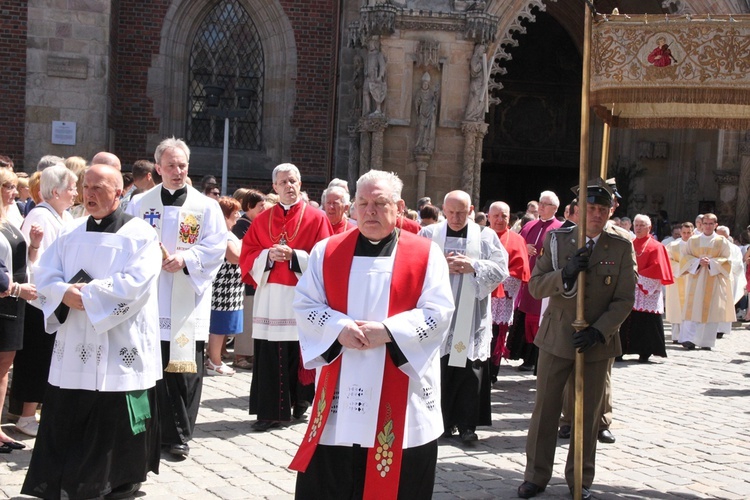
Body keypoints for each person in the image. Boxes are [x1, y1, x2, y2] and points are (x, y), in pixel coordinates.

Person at [290, 170, 455, 499]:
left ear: (399, 207)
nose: (370, 211)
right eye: (363, 203)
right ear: (353, 208)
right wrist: (339, 328)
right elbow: (305, 304)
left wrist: (389, 331)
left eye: (380, 203)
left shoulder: (426, 254)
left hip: (402, 391)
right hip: (341, 386)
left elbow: (438, 312)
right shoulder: (327, 251)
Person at [22, 164, 161, 499]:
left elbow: (137, 282)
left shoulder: (140, 234)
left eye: (99, 188)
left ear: (119, 192)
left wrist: (88, 296)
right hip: (76, 338)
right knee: (71, 404)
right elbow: (44, 273)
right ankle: (62, 478)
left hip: (118, 338)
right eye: (86, 187)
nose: (89, 194)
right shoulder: (71, 233)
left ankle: (117, 479)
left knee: (112, 412)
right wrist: (62, 293)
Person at [517, 181, 637, 500]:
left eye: (602, 209)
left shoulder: (622, 245)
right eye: (590, 208)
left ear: (611, 211)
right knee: (545, 409)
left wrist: (600, 330)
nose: (596, 215)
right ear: (579, 210)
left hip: (596, 342)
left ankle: (580, 478)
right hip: (557, 336)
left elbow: (625, 298)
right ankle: (536, 475)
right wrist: (566, 273)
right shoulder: (558, 241)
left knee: (587, 414)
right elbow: (536, 286)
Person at [126, 137, 226, 458]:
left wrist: (186, 260)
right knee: (154, 368)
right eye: (170, 165)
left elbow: (216, 246)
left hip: (187, 298)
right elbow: (128, 243)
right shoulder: (140, 204)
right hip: (152, 298)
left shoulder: (206, 206)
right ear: (158, 168)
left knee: (184, 372)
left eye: (182, 165)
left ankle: (181, 435)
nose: (177, 171)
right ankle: (156, 433)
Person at [239, 163, 333, 432]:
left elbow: (325, 257)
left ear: (300, 184)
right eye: (283, 182)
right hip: (270, 297)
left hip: (302, 296)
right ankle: (270, 413)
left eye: (293, 181)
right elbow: (247, 255)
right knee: (270, 354)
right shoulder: (262, 220)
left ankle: (300, 403)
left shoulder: (316, 218)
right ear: (275, 187)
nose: (288, 186)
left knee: (298, 353)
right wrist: (266, 256)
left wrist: (296, 257)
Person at [419, 191, 508, 442]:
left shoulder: (485, 236)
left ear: (471, 211)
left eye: (461, 212)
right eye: (451, 212)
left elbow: (502, 268)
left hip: (470, 317)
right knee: (440, 368)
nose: (456, 217)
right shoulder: (429, 234)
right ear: (443, 210)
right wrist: (440, 266)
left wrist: (474, 266)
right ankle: (442, 422)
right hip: (437, 314)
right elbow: (414, 265)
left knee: (468, 368)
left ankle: (468, 425)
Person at [11, 164, 78, 437]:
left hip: (59, 295)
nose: (75, 193)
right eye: (71, 188)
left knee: (52, 357)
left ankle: (43, 409)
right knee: (37, 358)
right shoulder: (39, 216)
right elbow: (30, 260)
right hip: (39, 299)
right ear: (55, 191)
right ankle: (26, 415)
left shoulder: (66, 216)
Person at [0, 171, 41, 451]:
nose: (15, 193)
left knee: (4, 369)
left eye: (15, 187)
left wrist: (35, 245)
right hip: (6, 300)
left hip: (14, 305)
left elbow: (22, 261)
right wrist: (16, 290)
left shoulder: (10, 218)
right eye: (8, 187)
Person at [508, 191, 562, 371]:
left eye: (545, 204)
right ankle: (525, 357)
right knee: (524, 318)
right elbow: (515, 246)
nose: (541, 206)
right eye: (540, 203)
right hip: (526, 280)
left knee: (538, 320)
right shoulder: (529, 225)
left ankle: (538, 359)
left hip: (543, 281)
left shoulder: (559, 229)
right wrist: (524, 247)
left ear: (555, 208)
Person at [618, 214, 674, 362]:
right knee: (625, 321)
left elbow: (657, 267)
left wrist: (638, 278)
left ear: (649, 227)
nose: (638, 228)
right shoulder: (629, 243)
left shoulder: (657, 246)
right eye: (636, 225)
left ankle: (645, 351)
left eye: (642, 225)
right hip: (630, 288)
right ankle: (621, 350)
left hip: (646, 291)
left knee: (645, 322)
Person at [677, 213, 734, 350]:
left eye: (711, 224)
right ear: (701, 225)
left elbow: (728, 261)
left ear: (716, 225)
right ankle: (688, 339)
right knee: (692, 308)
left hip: (713, 280)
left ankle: (705, 342)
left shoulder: (722, 241)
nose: (708, 226)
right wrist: (697, 261)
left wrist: (712, 263)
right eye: (705, 223)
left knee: (711, 310)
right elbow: (684, 258)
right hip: (695, 280)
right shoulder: (693, 240)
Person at [487, 201, 530, 379]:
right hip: (480, 296)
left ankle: (492, 371)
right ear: (488, 217)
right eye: (496, 216)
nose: (499, 219)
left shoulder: (516, 239)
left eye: (503, 216)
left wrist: (499, 279)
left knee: (497, 334)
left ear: (509, 218)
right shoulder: (479, 236)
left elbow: (521, 270)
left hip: (503, 297)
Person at [231, 189, 269, 371]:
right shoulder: (241, 225)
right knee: (246, 317)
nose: (263, 209)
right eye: (261, 206)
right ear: (250, 206)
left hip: (256, 275)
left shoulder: (255, 222)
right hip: (244, 277)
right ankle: (240, 356)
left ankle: (249, 353)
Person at [207, 196, 244, 377]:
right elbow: (234, 257)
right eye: (235, 212)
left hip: (230, 287)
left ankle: (216, 359)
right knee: (219, 326)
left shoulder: (228, 233)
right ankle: (214, 362)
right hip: (224, 287)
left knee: (222, 327)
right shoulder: (224, 234)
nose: (238, 215)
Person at [713, 225, 745, 339]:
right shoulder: (712, 246)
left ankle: (721, 329)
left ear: (727, 236)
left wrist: (726, 264)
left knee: (724, 305)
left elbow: (739, 265)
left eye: (722, 236)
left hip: (727, 279)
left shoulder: (734, 248)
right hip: (713, 278)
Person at [665, 222, 694, 343]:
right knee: (676, 307)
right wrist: (683, 269)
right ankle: (676, 336)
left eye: (689, 233)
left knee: (691, 308)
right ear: (680, 232)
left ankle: (688, 336)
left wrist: (692, 268)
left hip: (692, 279)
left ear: (693, 232)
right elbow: (667, 261)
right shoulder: (673, 245)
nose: (686, 235)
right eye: (684, 233)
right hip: (677, 279)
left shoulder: (696, 245)